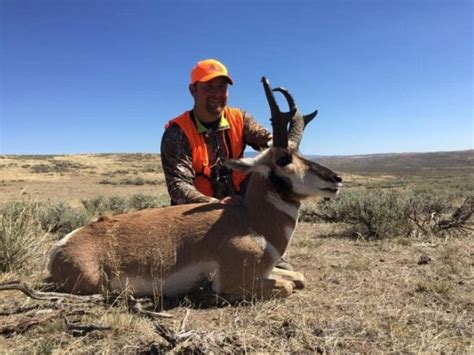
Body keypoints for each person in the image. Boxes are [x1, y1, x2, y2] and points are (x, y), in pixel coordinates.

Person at [160, 58, 293, 270]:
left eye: (222, 87)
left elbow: (268, 143)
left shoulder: (240, 118)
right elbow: (178, 186)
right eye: (208, 87)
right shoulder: (177, 133)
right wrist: (214, 204)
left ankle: (268, 249)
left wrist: (283, 143)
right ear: (193, 90)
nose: (217, 93)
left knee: (270, 170)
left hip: (239, 206)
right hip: (198, 214)